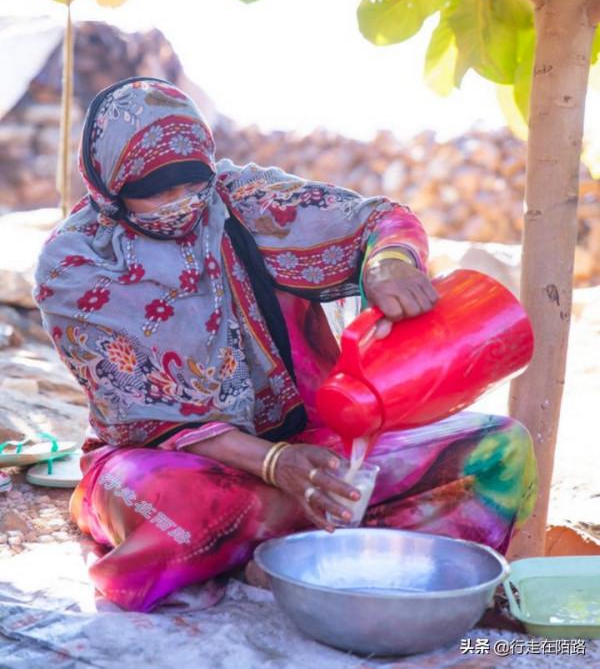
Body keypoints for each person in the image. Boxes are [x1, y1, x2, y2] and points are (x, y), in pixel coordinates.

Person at [34, 77, 537, 613]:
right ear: (109, 185)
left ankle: (290, 550)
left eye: (191, 183)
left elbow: (377, 221)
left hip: (312, 443)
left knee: (498, 450)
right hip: (166, 462)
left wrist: (390, 262)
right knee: (184, 513)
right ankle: (317, 542)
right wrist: (276, 465)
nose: (180, 203)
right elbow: (145, 417)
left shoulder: (244, 201)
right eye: (156, 190)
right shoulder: (77, 265)